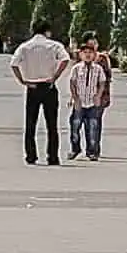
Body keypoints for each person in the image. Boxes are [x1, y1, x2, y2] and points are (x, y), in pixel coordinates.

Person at [13, 24, 71, 166]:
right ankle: (52, 156)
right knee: (51, 124)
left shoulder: (25, 46)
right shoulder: (54, 45)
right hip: (48, 86)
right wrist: (55, 76)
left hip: (32, 87)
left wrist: (22, 80)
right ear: (47, 32)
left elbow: (14, 64)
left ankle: (31, 156)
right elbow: (65, 59)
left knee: (30, 123)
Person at [67, 39, 117, 161]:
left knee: (93, 128)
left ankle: (92, 151)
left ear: (94, 54)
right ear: (81, 54)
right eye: (85, 52)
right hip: (79, 103)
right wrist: (74, 98)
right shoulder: (76, 68)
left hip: (93, 103)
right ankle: (75, 148)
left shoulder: (98, 69)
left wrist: (99, 96)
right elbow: (72, 83)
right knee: (75, 126)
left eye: (90, 52)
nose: (88, 54)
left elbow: (103, 82)